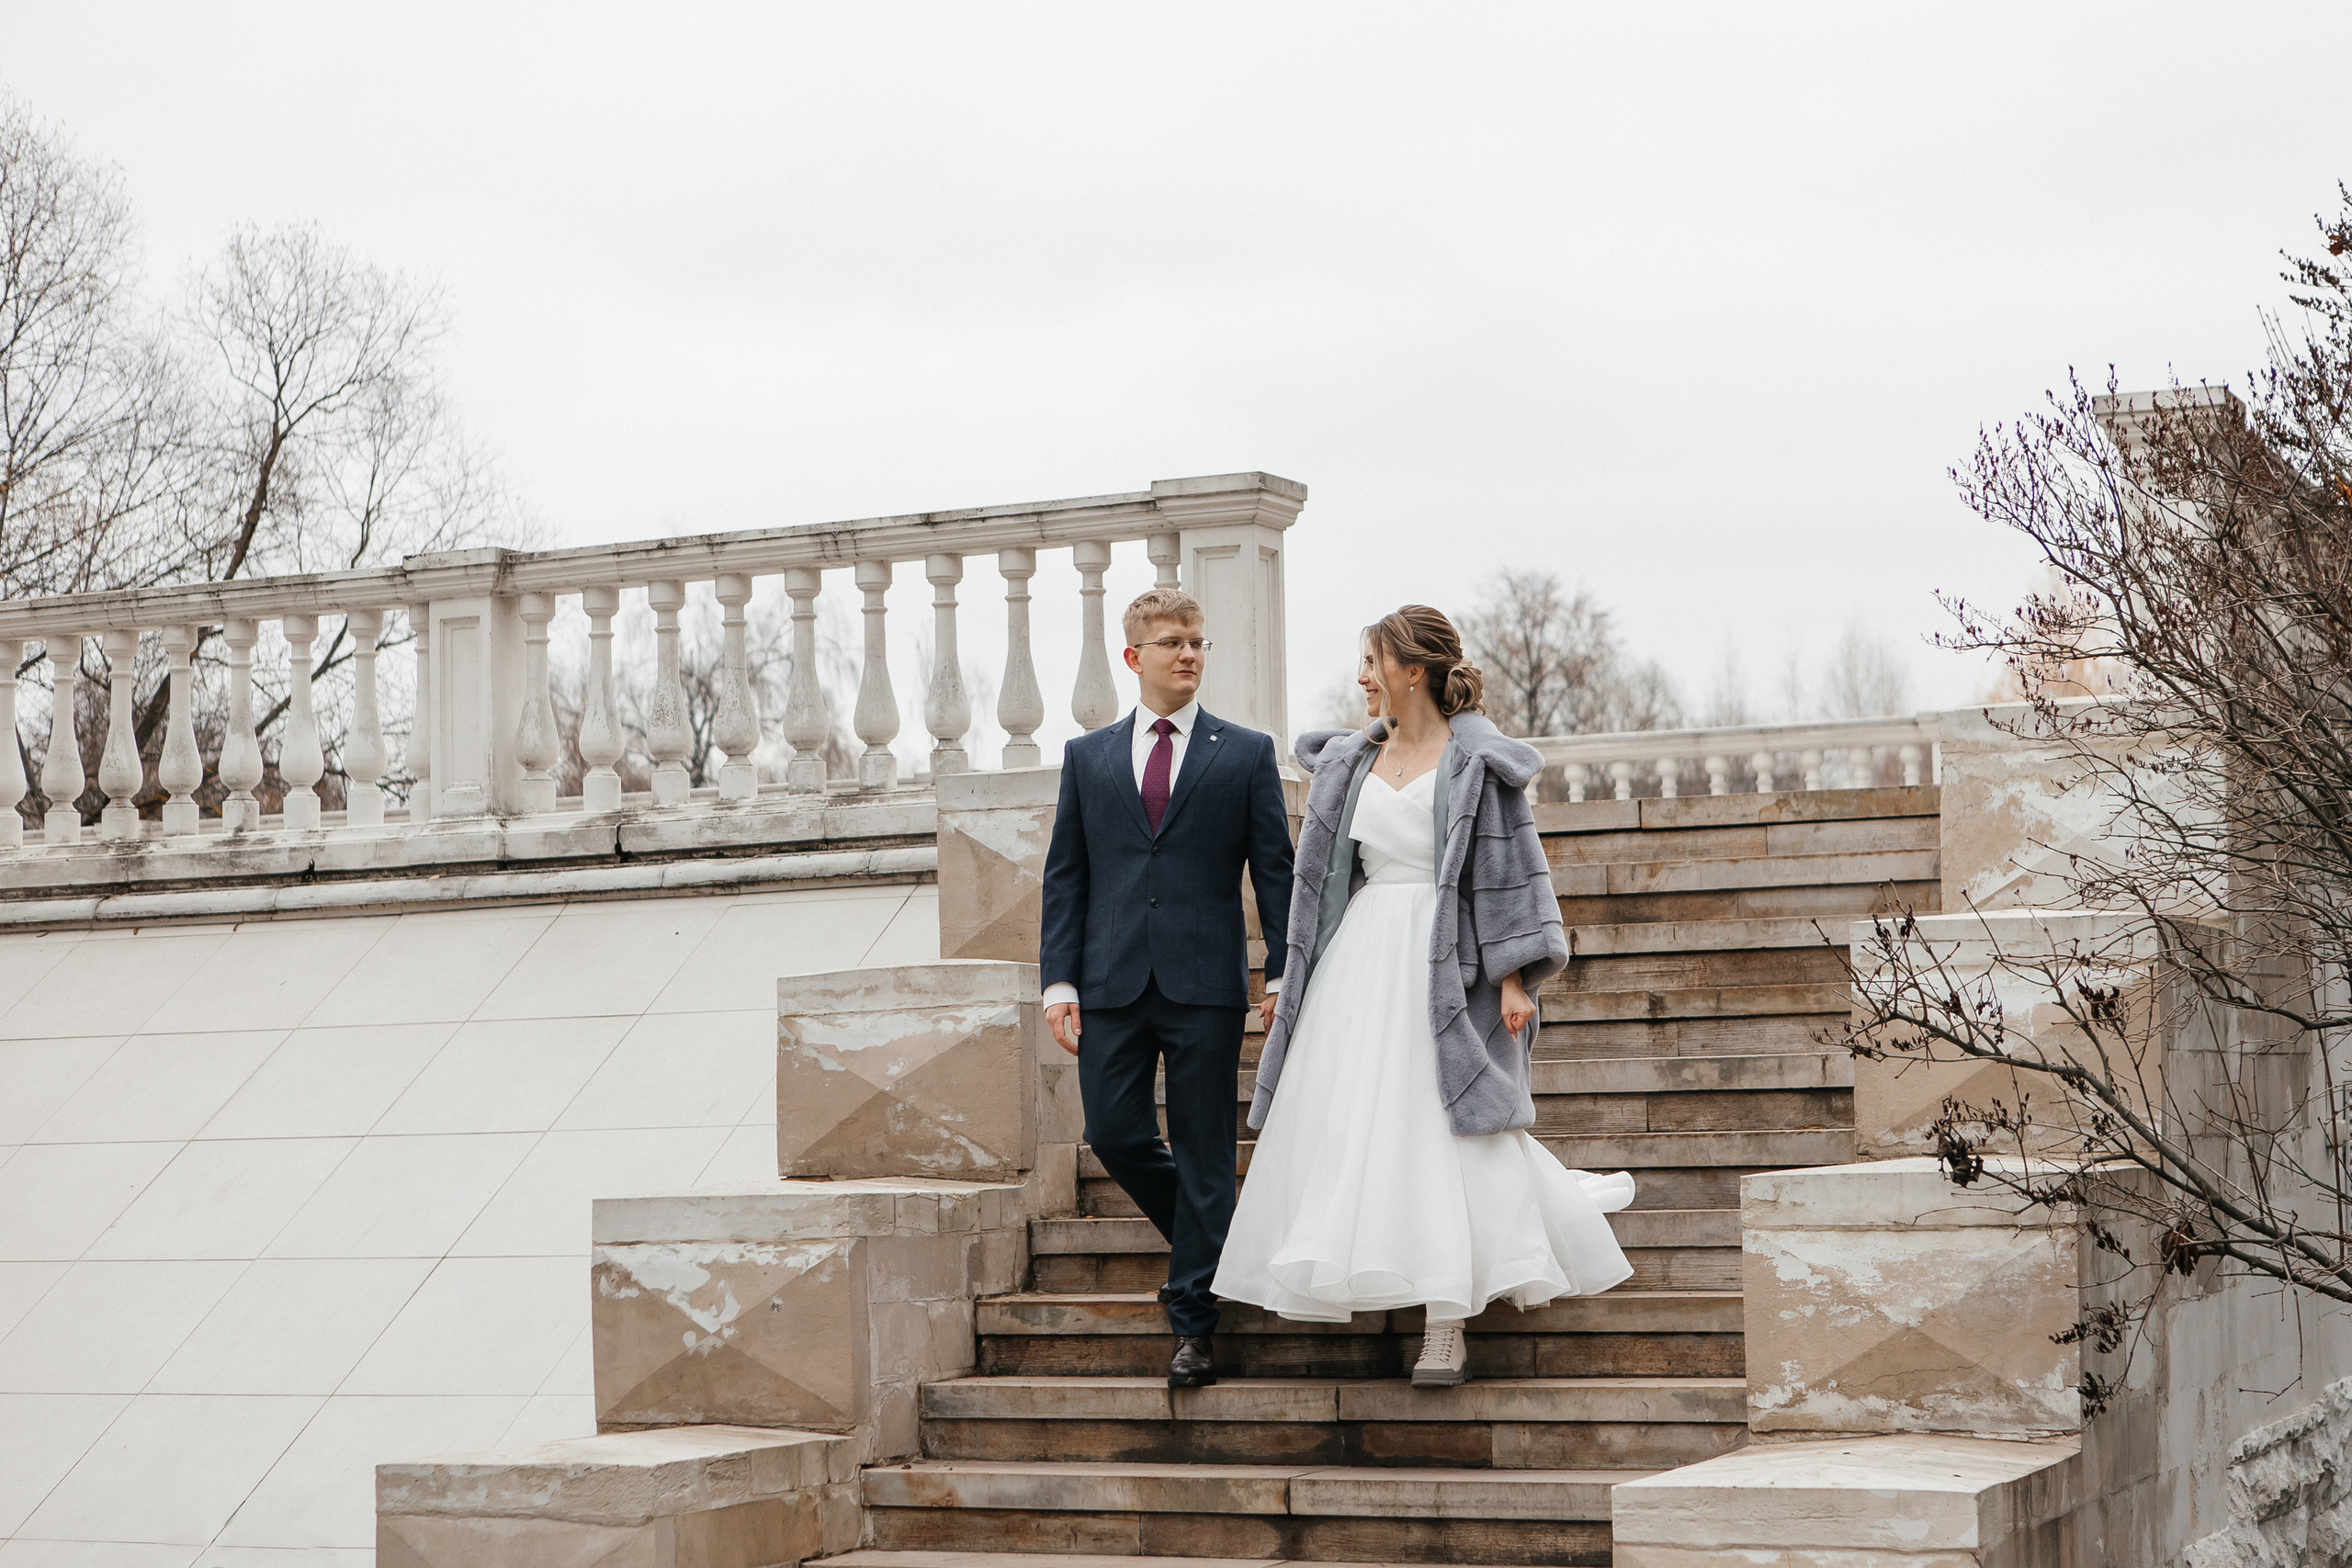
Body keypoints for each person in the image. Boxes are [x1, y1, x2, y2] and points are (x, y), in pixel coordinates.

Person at [1213, 604, 1634, 1388]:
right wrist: (1294, 981)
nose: (1362, 677)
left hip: (1445, 959)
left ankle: (1446, 1323)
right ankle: (1373, 1270)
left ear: (1414, 671)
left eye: (1372, 662)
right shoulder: (1347, 762)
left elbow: (1507, 876)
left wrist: (1514, 978)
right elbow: (1323, 891)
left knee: (1446, 1129)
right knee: (1359, 1129)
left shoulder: (1479, 762)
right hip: (1360, 961)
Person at [1039, 586, 1295, 1390]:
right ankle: (1214, 1237)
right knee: (1113, 1134)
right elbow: (1066, 878)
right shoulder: (1087, 758)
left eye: (1197, 641)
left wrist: (1282, 968)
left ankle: (1193, 1323)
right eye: (1172, 642)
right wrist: (1058, 980)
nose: (1189, 654)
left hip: (1205, 984)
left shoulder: (1246, 752)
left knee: (1207, 1152)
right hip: (1110, 980)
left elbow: (1275, 872)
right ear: (1134, 657)